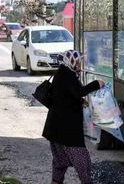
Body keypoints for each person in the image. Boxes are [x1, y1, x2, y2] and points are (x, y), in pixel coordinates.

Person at [42, 50, 104, 184]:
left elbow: (63, 96)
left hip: (55, 129)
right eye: (79, 62)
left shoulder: (61, 72)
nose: (81, 64)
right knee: (83, 162)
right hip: (67, 131)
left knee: (59, 162)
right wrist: (96, 84)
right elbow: (79, 91)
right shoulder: (68, 75)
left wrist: (80, 102)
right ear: (72, 62)